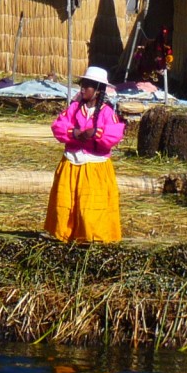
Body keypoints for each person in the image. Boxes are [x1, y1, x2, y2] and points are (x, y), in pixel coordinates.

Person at [45, 66, 125, 243]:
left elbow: (114, 133)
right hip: (70, 165)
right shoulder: (74, 108)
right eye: (82, 84)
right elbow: (58, 125)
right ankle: (65, 236)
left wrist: (95, 133)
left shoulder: (107, 112)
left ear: (98, 90)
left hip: (94, 168)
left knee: (90, 208)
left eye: (87, 85)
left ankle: (91, 239)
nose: (82, 89)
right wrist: (73, 133)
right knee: (66, 204)